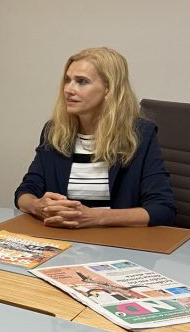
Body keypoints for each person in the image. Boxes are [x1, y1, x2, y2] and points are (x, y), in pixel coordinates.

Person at [15, 47, 176, 228]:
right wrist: (37, 206)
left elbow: (163, 209)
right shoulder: (55, 131)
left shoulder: (139, 134)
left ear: (109, 89)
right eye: (67, 80)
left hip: (115, 239)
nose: (68, 89)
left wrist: (95, 217)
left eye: (82, 82)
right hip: (61, 237)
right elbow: (25, 191)